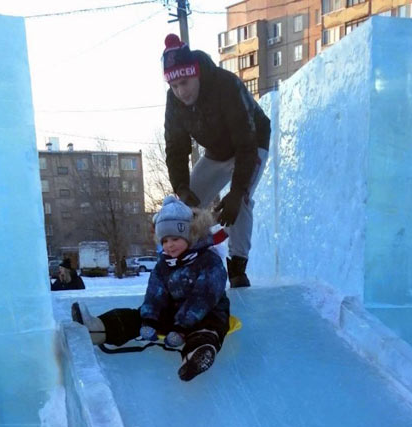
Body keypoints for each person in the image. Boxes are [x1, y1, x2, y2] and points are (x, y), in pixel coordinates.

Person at [72, 195, 230, 382]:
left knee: (209, 328)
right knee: (135, 316)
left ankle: (196, 356)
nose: (169, 245)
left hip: (205, 312)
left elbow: (204, 296)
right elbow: (155, 293)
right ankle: (97, 329)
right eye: (164, 241)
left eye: (175, 238)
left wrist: (181, 326)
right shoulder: (164, 264)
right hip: (174, 312)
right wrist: (149, 320)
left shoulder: (208, 260)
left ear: (190, 235)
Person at [162, 33, 271, 288]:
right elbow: (175, 148)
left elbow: (246, 142)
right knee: (186, 206)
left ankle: (237, 266)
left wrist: (237, 190)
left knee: (240, 200)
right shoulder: (174, 101)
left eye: (185, 83)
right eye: (174, 86)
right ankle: (188, 256)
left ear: (196, 73)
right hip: (217, 151)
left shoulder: (226, 85)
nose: (181, 92)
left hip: (252, 143)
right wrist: (181, 188)